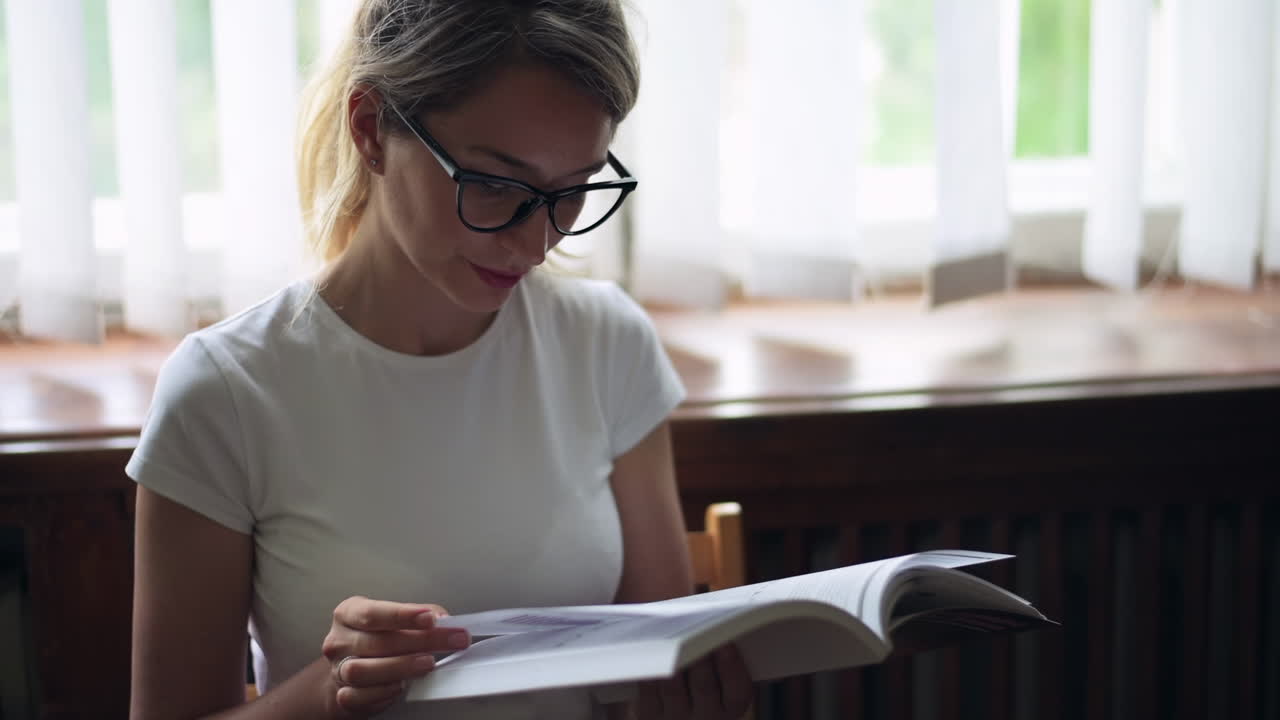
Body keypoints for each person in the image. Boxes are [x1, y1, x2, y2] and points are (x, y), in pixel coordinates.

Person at [128, 1, 753, 718]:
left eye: (574, 190)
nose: (534, 242)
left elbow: (661, 678)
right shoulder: (228, 392)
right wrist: (325, 692)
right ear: (369, 128)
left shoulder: (606, 344)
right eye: (492, 183)